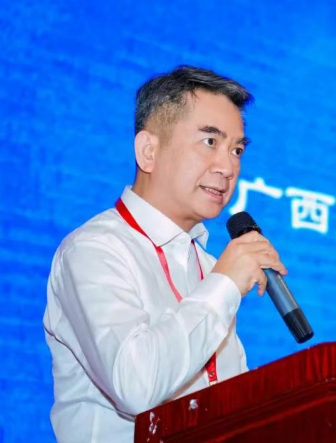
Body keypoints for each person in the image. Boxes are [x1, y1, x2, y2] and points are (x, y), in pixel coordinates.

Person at [42, 65, 287, 443]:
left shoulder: (209, 266)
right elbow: (136, 386)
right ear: (148, 151)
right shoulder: (94, 250)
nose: (228, 167)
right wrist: (224, 285)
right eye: (210, 141)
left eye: (237, 150)